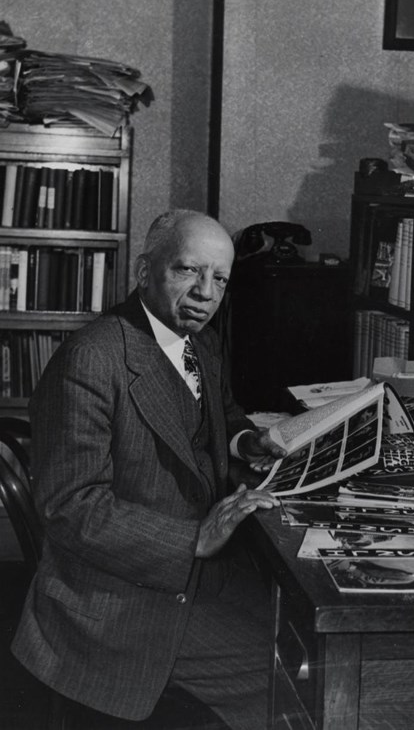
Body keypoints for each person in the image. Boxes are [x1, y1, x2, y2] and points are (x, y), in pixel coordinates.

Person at [11, 209, 287, 730]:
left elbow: (219, 413)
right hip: (112, 601)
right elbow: (70, 508)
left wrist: (245, 439)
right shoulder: (91, 359)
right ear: (144, 271)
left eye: (220, 278)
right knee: (294, 669)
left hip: (191, 575)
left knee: (301, 629)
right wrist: (194, 540)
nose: (206, 292)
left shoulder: (195, 340)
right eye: (188, 270)